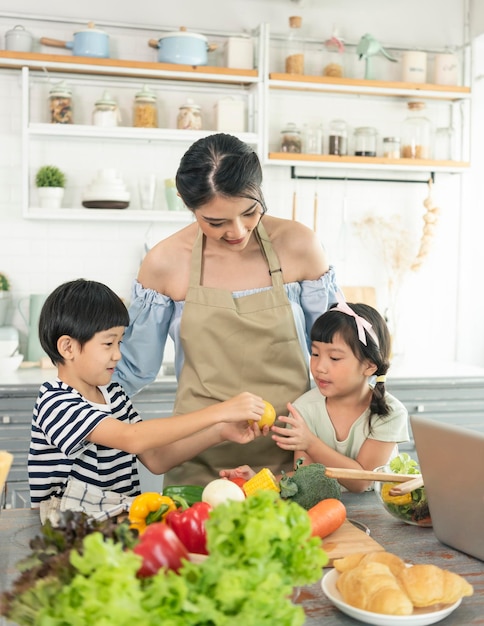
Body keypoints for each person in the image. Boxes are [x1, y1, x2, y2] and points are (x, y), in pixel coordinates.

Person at [113, 133, 338, 486]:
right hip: (196, 460)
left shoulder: (300, 246)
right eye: (215, 222)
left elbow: (336, 353)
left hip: (291, 460)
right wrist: (76, 404)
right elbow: (130, 371)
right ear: (187, 205)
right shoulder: (165, 263)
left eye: (250, 212)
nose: (237, 231)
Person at [28, 279, 266, 523]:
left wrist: (219, 432)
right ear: (68, 347)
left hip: (117, 522)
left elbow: (156, 458)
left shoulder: (114, 394)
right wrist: (220, 411)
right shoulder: (55, 400)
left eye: (120, 342)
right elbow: (131, 438)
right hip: (64, 528)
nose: (118, 354)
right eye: (108, 343)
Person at [221, 295, 409, 493]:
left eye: (334, 357)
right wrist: (258, 482)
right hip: (330, 507)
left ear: (369, 366)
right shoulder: (303, 410)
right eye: (316, 354)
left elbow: (363, 481)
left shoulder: (390, 413)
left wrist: (311, 443)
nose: (319, 367)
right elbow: (305, 478)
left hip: (380, 510)